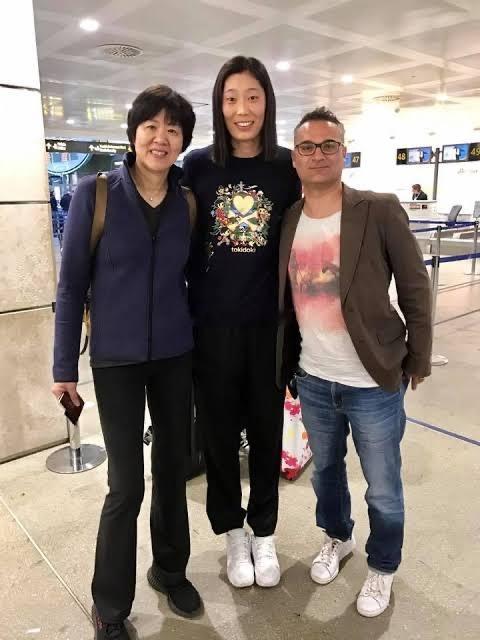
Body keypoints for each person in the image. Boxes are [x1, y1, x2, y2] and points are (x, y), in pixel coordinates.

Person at [51, 85, 202, 640]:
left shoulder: (188, 202)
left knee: (173, 468)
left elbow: (195, 281)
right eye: (151, 127)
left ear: (183, 140)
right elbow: (71, 287)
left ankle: (170, 570)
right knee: (126, 485)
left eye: (173, 129)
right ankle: (109, 606)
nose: (161, 138)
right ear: (133, 133)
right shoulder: (97, 194)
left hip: (175, 355)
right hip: (115, 359)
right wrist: (63, 367)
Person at [277, 107, 432, 617]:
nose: (318, 154)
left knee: (383, 486)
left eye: (329, 145)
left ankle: (382, 565)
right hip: (314, 377)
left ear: (343, 152)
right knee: (327, 475)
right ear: (295, 158)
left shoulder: (378, 209)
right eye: (307, 147)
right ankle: (337, 538)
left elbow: (414, 286)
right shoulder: (290, 218)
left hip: (373, 378)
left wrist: (419, 357)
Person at [182, 56, 301, 589]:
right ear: (219, 105)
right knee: (220, 436)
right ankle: (232, 530)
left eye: (252, 96)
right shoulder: (198, 167)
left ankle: (265, 530)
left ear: (267, 102)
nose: (242, 109)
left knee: (268, 432)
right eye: (231, 98)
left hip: (267, 329)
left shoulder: (286, 169)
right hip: (210, 328)